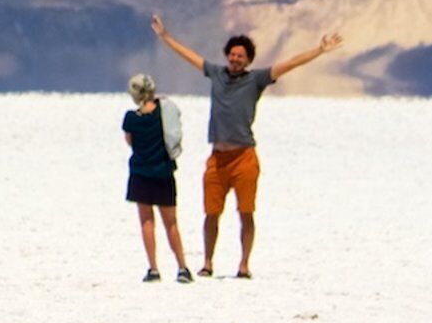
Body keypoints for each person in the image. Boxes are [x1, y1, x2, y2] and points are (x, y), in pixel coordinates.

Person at [147, 15, 343, 280]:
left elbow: (289, 64)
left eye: (240, 56)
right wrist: (165, 36)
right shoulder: (216, 74)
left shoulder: (256, 79)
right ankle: (207, 263)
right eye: (232, 54)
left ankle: (243, 264)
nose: (235, 59)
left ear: (248, 60)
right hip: (217, 157)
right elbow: (190, 57)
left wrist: (319, 50)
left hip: (244, 157)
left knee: (246, 212)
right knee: (211, 213)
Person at [122, 74, 188, 281]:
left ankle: (153, 268)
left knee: (146, 221)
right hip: (163, 172)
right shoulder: (163, 112)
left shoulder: (131, 118)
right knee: (171, 223)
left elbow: (130, 141)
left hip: (140, 173)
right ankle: (182, 267)